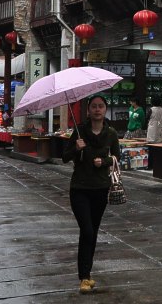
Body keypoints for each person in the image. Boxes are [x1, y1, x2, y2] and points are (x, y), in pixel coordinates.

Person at [62, 95, 120, 294]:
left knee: (92, 232)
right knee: (86, 230)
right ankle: (84, 277)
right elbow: (64, 157)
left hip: (101, 188)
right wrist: (76, 148)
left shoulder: (111, 133)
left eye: (100, 106)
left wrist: (104, 162)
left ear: (105, 109)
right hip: (80, 188)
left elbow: (117, 157)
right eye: (93, 106)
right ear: (88, 110)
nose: (97, 109)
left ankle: (87, 274)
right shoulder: (79, 132)